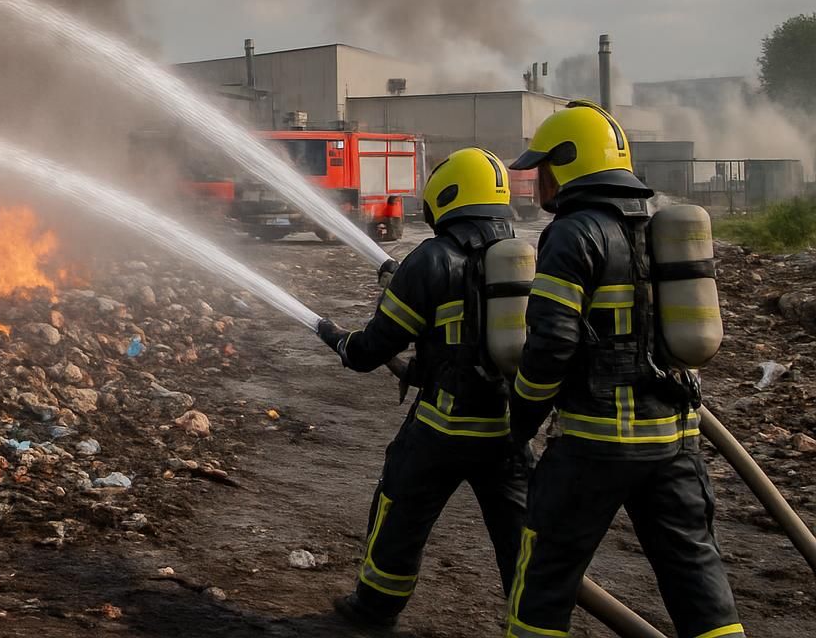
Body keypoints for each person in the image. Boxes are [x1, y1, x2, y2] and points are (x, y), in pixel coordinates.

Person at [504, 100, 742, 638]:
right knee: (697, 577)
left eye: (541, 166)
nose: (537, 180)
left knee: (544, 578)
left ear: (568, 164)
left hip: (596, 442)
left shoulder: (573, 232)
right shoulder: (657, 223)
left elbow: (552, 343)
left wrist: (519, 421)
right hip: (676, 440)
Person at [315, 148, 532, 628]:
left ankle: (373, 608)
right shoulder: (520, 258)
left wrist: (335, 337)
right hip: (509, 429)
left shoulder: (432, 257)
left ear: (446, 195)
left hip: (443, 426)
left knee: (401, 513)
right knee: (521, 538)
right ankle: (532, 622)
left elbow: (370, 350)